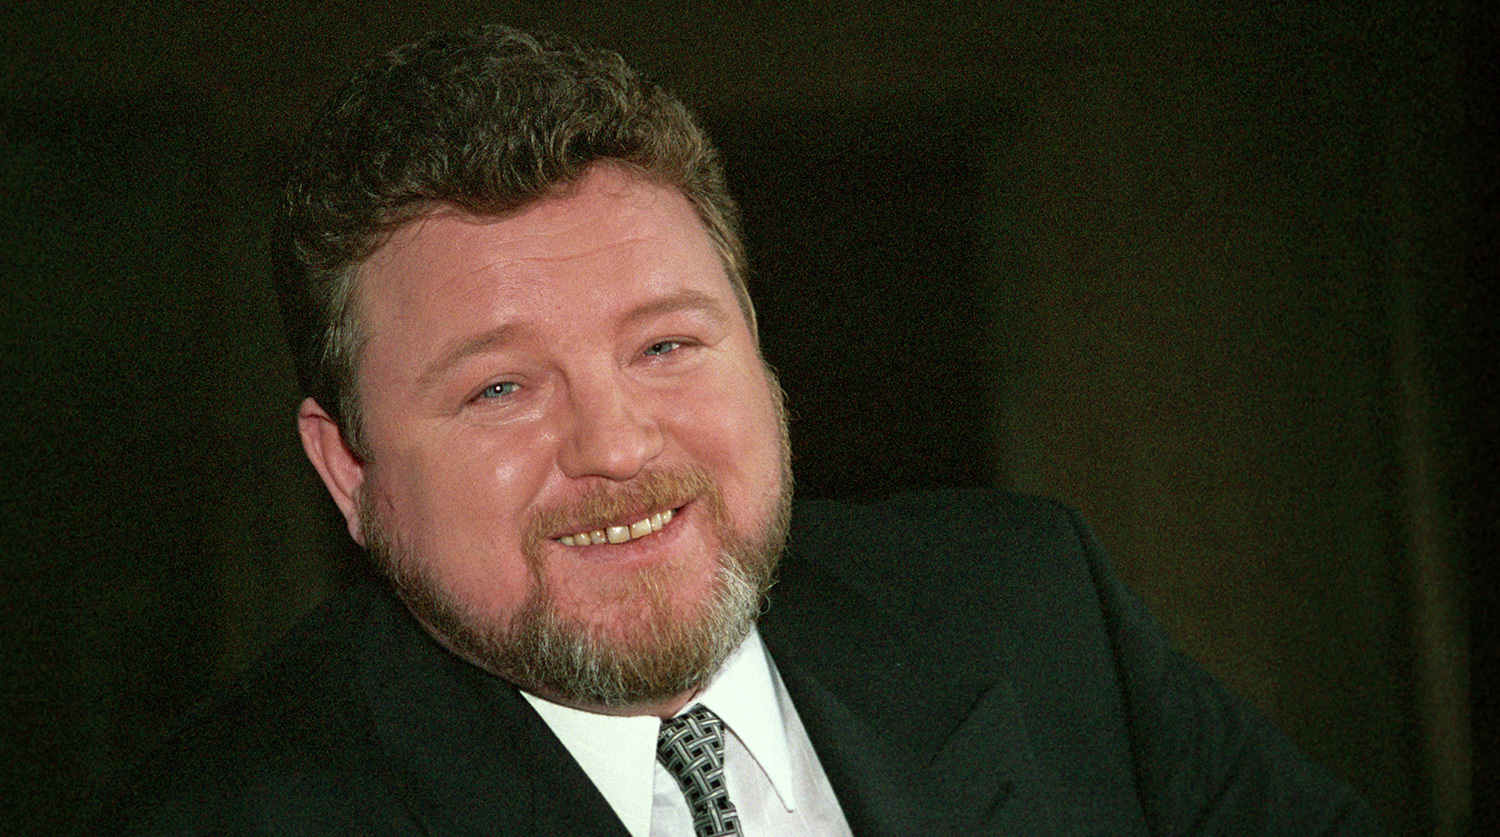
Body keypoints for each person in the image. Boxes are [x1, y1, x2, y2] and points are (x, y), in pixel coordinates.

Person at [79, 25, 1384, 836]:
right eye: (500, 390)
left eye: (666, 346)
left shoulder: (1030, 603)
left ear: (760, 347)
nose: (615, 446)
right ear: (346, 469)